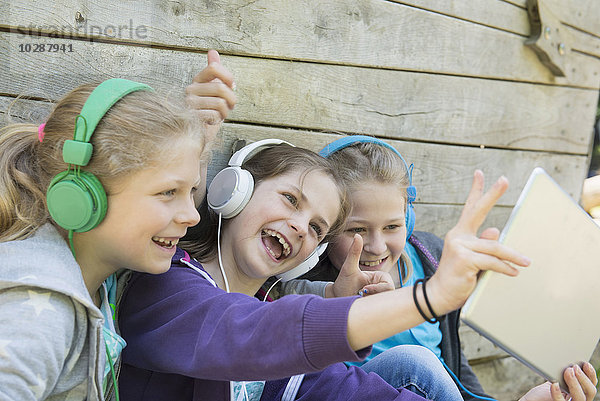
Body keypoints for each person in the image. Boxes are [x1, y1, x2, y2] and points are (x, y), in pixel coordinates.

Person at [117, 121, 538, 401]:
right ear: (234, 189)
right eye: (290, 199)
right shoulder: (166, 288)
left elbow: (343, 387)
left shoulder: (269, 314)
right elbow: (255, 333)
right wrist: (431, 297)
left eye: (318, 227)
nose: (301, 227)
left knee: (414, 368)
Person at [275, 135, 598, 401]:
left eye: (392, 227)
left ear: (409, 220)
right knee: (414, 362)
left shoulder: (428, 257)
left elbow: (452, 376)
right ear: (326, 228)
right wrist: (335, 298)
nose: (376, 246)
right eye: (356, 230)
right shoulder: (306, 279)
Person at [0, 76, 207, 400]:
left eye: (190, 191)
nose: (191, 215)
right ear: (82, 197)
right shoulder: (39, 316)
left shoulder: (104, 281)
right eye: (168, 192)